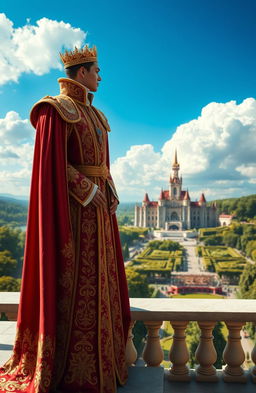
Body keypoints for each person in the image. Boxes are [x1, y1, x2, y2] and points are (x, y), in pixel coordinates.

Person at [0, 45, 131, 393]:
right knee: (76, 287)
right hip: (74, 219)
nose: (101, 76)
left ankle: (104, 365)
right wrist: (86, 189)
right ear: (82, 72)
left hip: (101, 216)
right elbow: (52, 165)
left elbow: (102, 165)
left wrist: (110, 188)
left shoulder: (98, 117)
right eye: (97, 70)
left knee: (101, 285)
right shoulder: (56, 109)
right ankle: (74, 370)